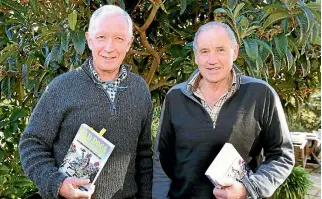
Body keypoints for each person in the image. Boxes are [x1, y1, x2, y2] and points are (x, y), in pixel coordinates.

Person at [19, 5, 153, 199]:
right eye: (101, 37)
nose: (109, 47)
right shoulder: (62, 87)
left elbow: (144, 156)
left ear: (129, 43)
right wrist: (58, 184)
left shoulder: (139, 89)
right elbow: (32, 144)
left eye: (119, 38)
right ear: (89, 40)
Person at [152, 21, 294, 199]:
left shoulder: (261, 94)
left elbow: (281, 156)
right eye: (204, 51)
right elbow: (161, 158)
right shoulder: (175, 96)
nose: (212, 60)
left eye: (220, 49)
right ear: (195, 56)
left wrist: (247, 189)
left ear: (234, 51)